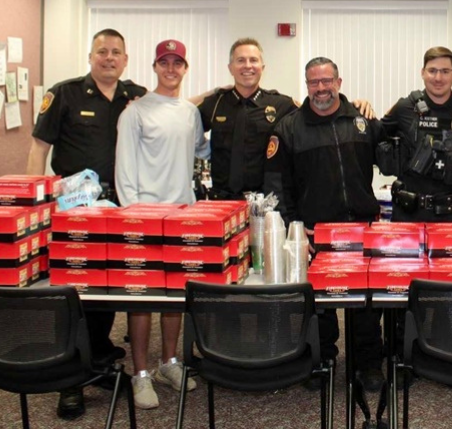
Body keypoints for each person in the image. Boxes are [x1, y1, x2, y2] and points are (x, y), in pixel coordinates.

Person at [27, 28, 144, 421]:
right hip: (74, 207)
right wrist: (36, 203)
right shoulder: (65, 93)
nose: (109, 58)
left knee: (107, 285)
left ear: (125, 59)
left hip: (117, 205)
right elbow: (39, 147)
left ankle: (95, 360)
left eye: (116, 52)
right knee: (73, 290)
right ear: (91, 56)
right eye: (102, 51)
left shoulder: (134, 95)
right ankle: (70, 381)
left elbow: (171, 107)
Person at [264, 57, 387, 393]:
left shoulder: (361, 120)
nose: (321, 88)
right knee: (320, 303)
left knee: (366, 303)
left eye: (326, 81)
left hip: (361, 228)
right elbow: (276, 186)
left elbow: (391, 157)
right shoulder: (289, 129)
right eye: (314, 82)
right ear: (306, 85)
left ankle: (368, 363)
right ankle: (323, 360)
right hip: (315, 232)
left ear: (338, 82)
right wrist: (293, 229)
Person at [115, 39, 209, 410]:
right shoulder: (135, 112)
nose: (171, 69)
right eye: (164, 62)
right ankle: (140, 373)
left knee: (175, 295)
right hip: (144, 217)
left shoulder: (190, 112)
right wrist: (134, 216)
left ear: (185, 68)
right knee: (141, 298)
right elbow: (124, 171)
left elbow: (201, 150)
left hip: (182, 215)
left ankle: (169, 363)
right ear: (154, 67)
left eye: (177, 63)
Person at [195, 37, 378, 200]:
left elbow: (320, 110)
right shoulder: (215, 104)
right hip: (222, 201)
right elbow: (184, 117)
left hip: (264, 203)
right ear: (230, 67)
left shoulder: (280, 104)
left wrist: (353, 107)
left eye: (254, 60)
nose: (248, 66)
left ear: (262, 68)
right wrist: (210, 92)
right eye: (240, 60)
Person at [380, 46, 452, 221]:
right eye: (432, 71)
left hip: (450, 216)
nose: (438, 78)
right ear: (422, 73)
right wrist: (361, 107)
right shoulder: (404, 108)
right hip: (407, 215)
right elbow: (373, 136)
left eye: (445, 71)